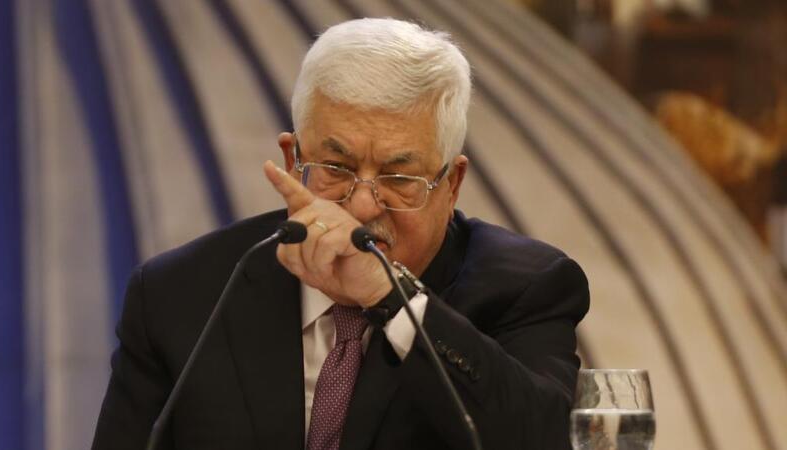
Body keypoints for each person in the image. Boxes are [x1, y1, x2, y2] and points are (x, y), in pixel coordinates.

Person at [92, 18, 589, 450]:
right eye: (336, 168)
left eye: (399, 177)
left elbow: (542, 439)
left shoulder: (527, 288)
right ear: (293, 161)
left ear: (451, 184)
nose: (363, 206)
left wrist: (390, 298)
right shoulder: (179, 295)